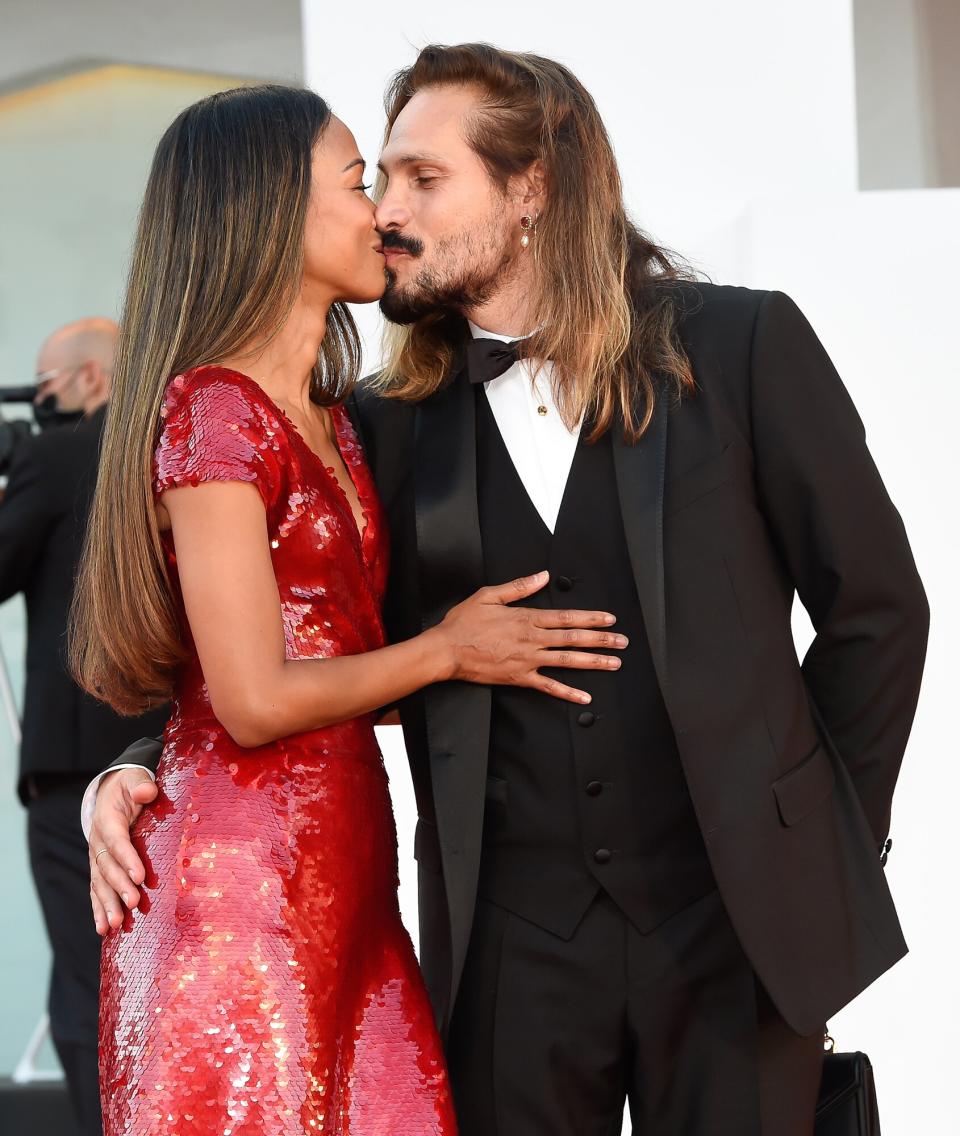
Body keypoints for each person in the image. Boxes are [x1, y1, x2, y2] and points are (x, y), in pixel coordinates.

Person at [87, 45, 930, 1136]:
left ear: (532, 187)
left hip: (734, 933)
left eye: (423, 180)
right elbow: (297, 633)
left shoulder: (742, 345)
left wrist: (819, 836)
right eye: (376, 178)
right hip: (506, 950)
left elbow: (878, 607)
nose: (389, 211)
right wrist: (139, 764)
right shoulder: (383, 423)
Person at [70, 83, 627, 1136]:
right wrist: (450, 648)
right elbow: (249, 698)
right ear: (270, 211)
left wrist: (120, 768)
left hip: (348, 891)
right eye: (359, 182)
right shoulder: (213, 410)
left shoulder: (338, 418)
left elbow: (325, 658)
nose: (380, 211)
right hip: (238, 896)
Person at [0, 318, 169, 1136]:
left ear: (93, 379)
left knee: (84, 981)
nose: (41, 402)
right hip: (172, 752)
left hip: (74, 767)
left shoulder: (54, 456)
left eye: (48, 387)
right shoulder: (167, 450)